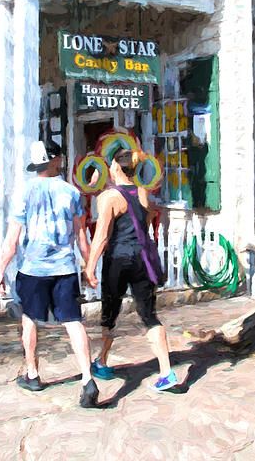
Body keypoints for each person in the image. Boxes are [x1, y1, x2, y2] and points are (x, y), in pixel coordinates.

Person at [0, 140, 98, 408]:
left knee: (29, 319)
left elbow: (12, 241)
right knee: (73, 321)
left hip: (33, 268)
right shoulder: (72, 193)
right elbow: (81, 236)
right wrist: (89, 267)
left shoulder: (23, 193)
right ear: (55, 160)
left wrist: (0, 273)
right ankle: (87, 378)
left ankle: (33, 373)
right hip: (64, 268)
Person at [84, 148, 177, 392]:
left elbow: (102, 236)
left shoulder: (109, 197)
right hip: (141, 259)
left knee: (109, 313)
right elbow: (145, 225)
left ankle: (102, 362)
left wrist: (90, 266)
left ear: (115, 167)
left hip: (118, 258)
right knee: (149, 315)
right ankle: (167, 371)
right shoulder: (142, 192)